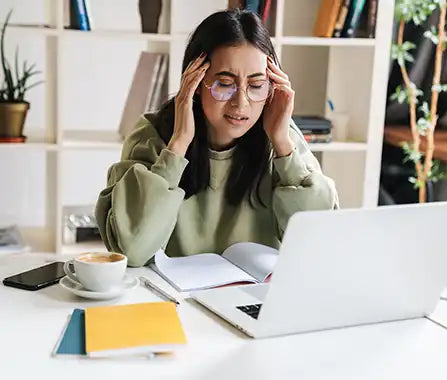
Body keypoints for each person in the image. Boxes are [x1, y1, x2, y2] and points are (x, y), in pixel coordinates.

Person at [95, 9, 338, 267]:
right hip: (174, 301)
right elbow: (132, 251)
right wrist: (178, 145)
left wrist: (282, 145)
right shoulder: (153, 136)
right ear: (196, 83)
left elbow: (317, 245)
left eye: (256, 86)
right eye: (224, 84)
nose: (241, 103)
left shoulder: (281, 137)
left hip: (254, 300)